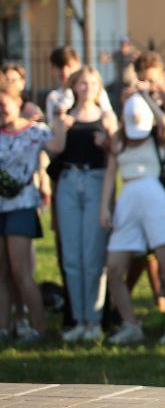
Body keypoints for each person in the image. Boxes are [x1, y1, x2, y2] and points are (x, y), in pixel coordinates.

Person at [100, 92, 165, 347]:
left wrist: (147, 98)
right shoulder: (119, 139)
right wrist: (104, 208)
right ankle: (130, 323)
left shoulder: (155, 137)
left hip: (154, 197)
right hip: (128, 199)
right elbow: (110, 174)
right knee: (115, 268)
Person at [45, 67, 117, 343]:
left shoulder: (107, 117)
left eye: (91, 83)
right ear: (74, 87)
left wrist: (107, 143)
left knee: (93, 257)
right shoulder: (65, 117)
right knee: (72, 258)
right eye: (81, 83)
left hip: (97, 182)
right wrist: (60, 126)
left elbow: (116, 153)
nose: (86, 87)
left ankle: (95, 321)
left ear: (99, 87)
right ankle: (79, 320)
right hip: (68, 181)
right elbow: (55, 149)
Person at [0, 90, 51, 341]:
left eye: (3, 104)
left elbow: (58, 147)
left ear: (18, 102)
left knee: (20, 271)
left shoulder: (35, 131)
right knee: (2, 272)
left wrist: (58, 117)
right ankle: (4, 327)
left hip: (21, 206)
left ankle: (39, 327)